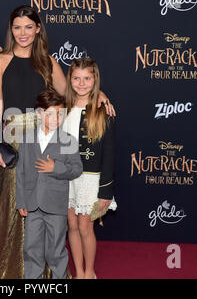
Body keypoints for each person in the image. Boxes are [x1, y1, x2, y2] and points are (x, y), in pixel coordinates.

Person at [0, 5, 114, 279]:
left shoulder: (49, 62)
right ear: (10, 30)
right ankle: (11, 271)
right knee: (16, 203)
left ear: (38, 29)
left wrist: (100, 95)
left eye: (29, 27)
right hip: (14, 143)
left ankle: (46, 273)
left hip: (46, 141)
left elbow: (71, 94)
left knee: (45, 204)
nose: (23, 33)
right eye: (17, 27)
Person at [16, 90, 83, 279]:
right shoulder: (27, 138)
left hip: (56, 204)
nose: (56, 118)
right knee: (31, 248)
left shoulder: (68, 140)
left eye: (60, 114)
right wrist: (21, 201)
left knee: (56, 250)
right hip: (32, 204)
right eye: (50, 113)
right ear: (39, 113)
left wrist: (56, 167)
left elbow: (76, 169)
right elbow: (20, 171)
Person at [63, 58, 117, 279]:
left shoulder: (103, 110)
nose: (82, 83)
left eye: (87, 78)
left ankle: (89, 271)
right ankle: (78, 271)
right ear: (70, 80)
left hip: (90, 180)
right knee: (72, 227)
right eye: (76, 78)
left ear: (95, 80)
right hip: (66, 178)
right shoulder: (62, 107)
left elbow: (110, 153)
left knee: (86, 228)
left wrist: (105, 191)